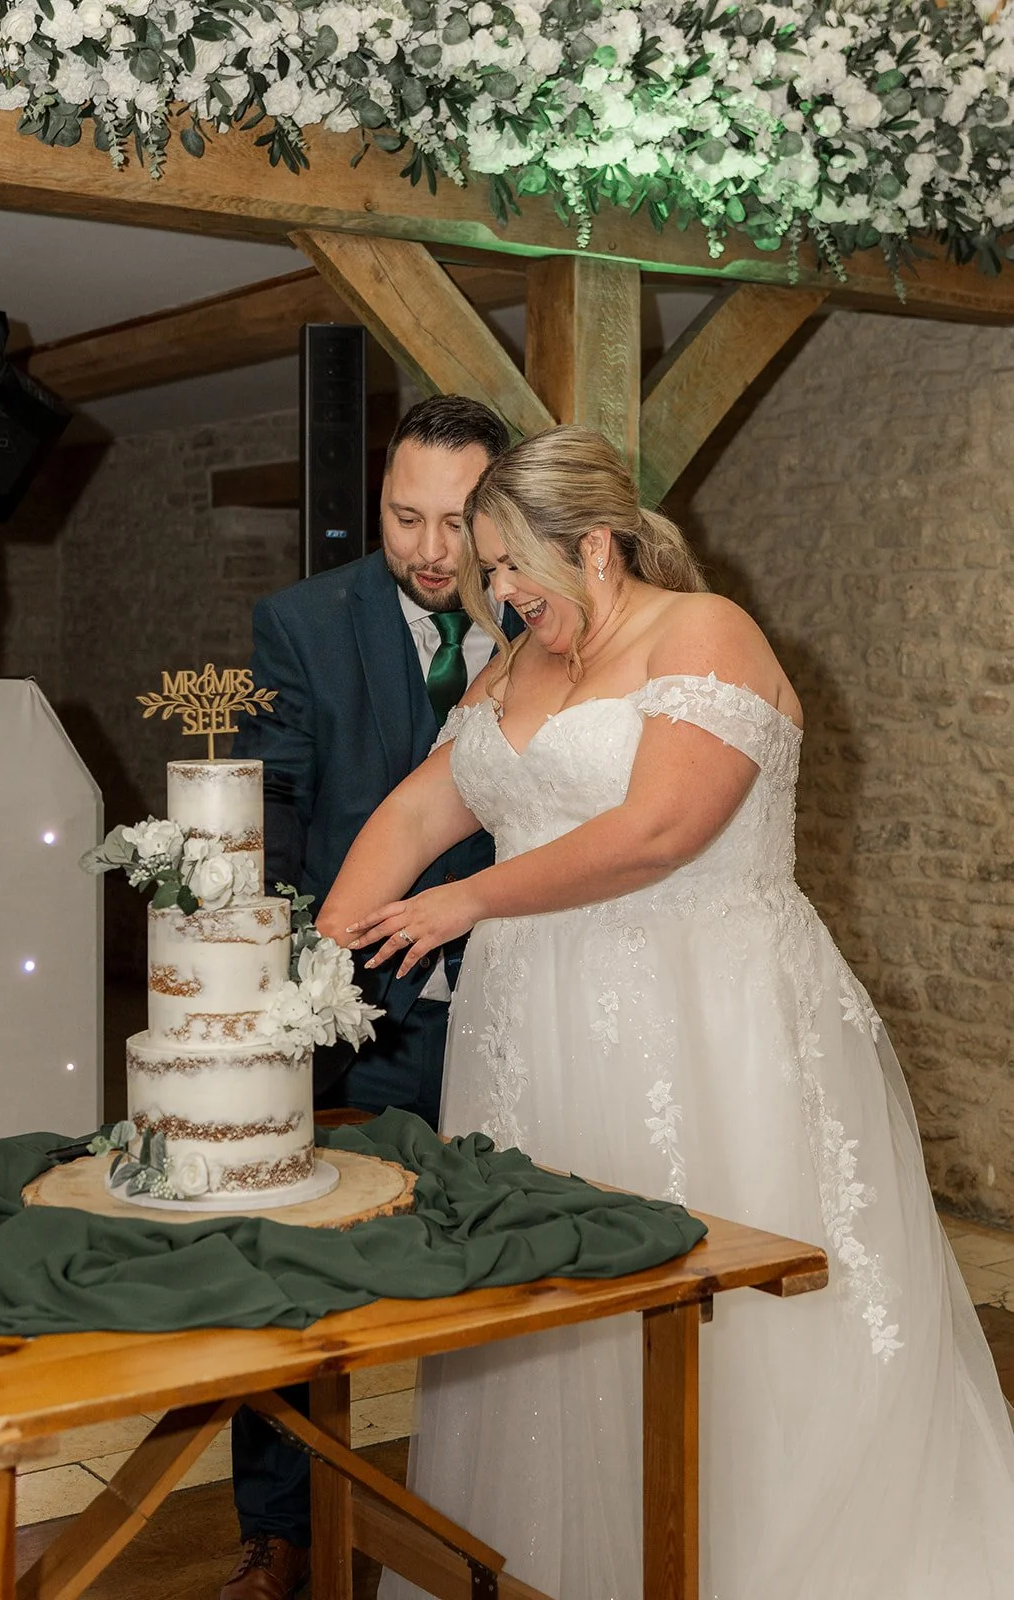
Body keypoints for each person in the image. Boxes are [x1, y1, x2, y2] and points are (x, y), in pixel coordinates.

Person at [319, 424, 1014, 1600]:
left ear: (594, 545)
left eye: (509, 567)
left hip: (704, 1018)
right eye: (486, 571)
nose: (494, 592)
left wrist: (464, 904)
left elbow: (657, 832)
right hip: (529, 1035)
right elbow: (416, 815)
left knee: (718, 1303)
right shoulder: (508, 669)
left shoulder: (703, 633)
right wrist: (318, 954)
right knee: (547, 1312)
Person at [221, 394, 516, 1600]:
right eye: (406, 518)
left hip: (517, 1001)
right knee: (290, 1265)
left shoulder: (553, 620)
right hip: (354, 1015)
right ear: (376, 504)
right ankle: (278, 1528)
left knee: (509, 1252)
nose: (432, 550)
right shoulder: (299, 620)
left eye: (458, 520)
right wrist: (283, 967)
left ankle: (491, 1497)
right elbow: (273, 804)